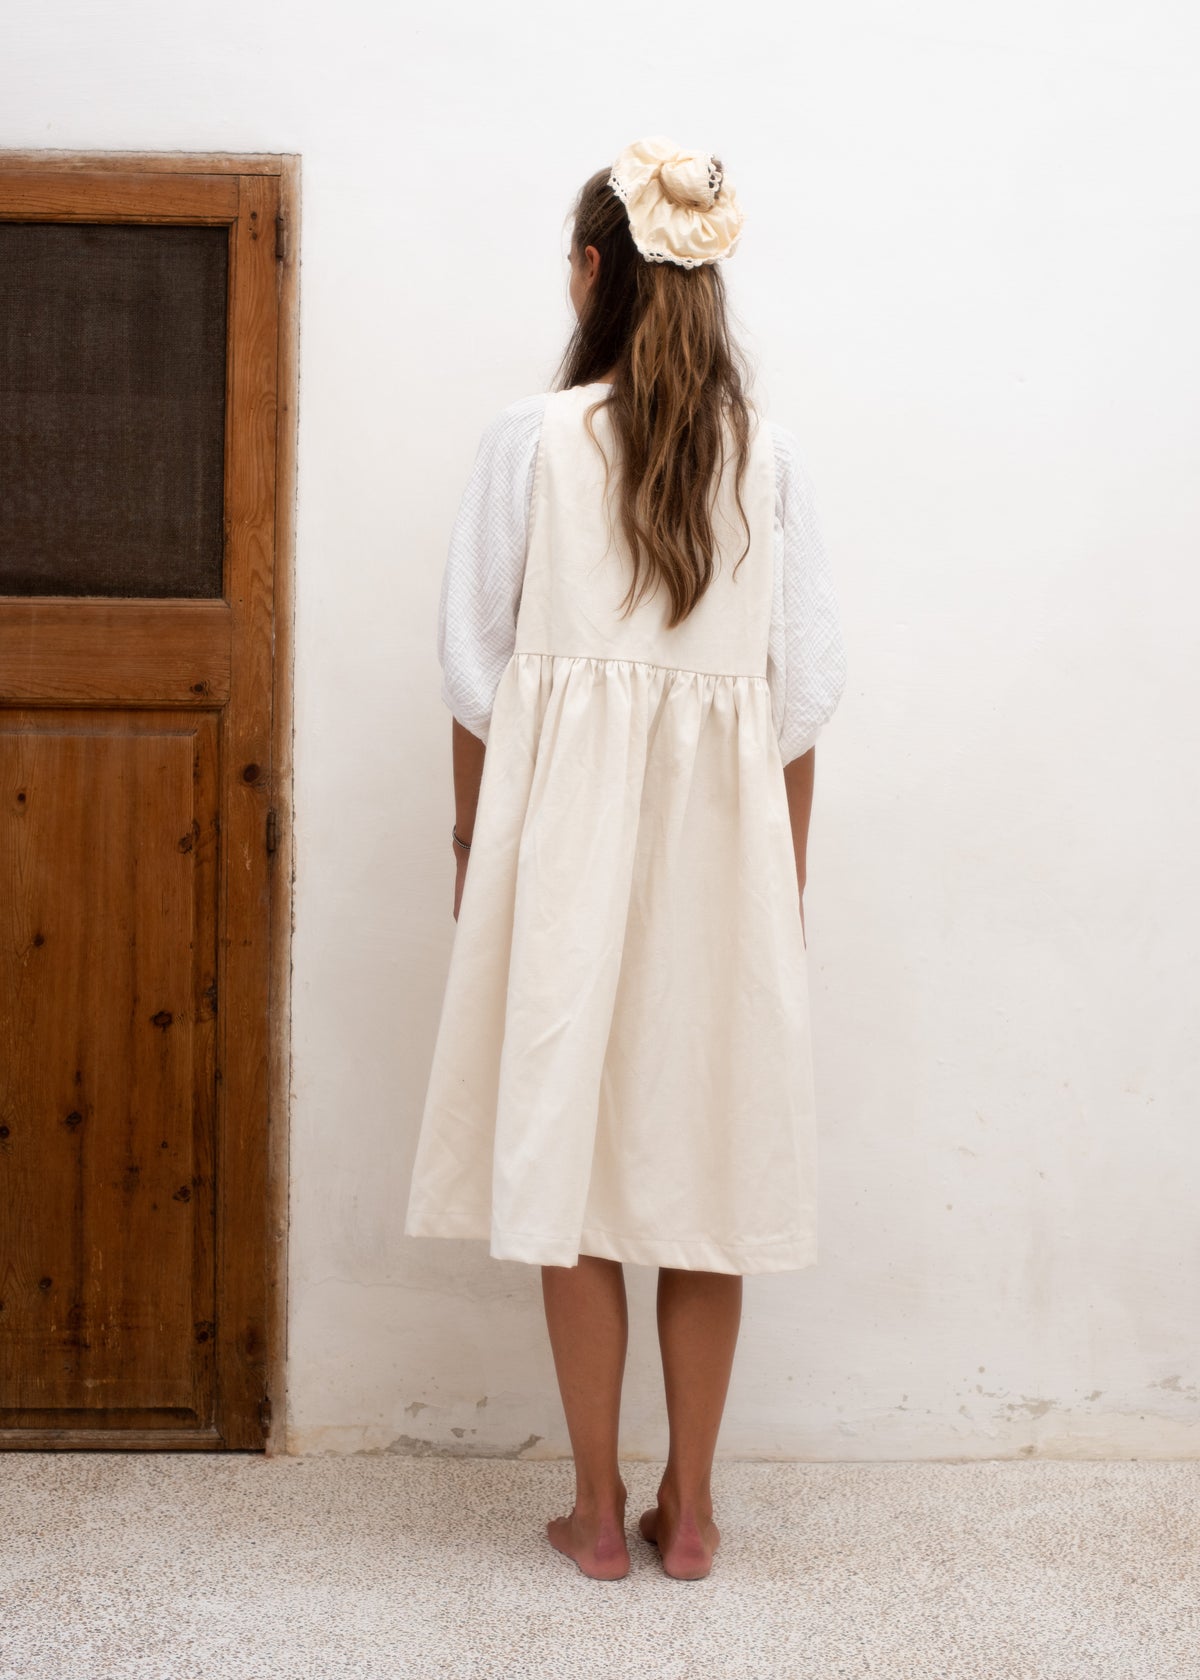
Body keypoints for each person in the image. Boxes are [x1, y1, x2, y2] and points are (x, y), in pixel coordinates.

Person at [405, 135, 847, 1582]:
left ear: (594, 272)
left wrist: (474, 851)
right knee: (707, 1165)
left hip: (559, 855)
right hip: (727, 865)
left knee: (573, 1161)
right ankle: (692, 1512)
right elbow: (801, 701)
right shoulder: (769, 458)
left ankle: (595, 1515)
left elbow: (473, 674)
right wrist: (783, 890)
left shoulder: (529, 444)